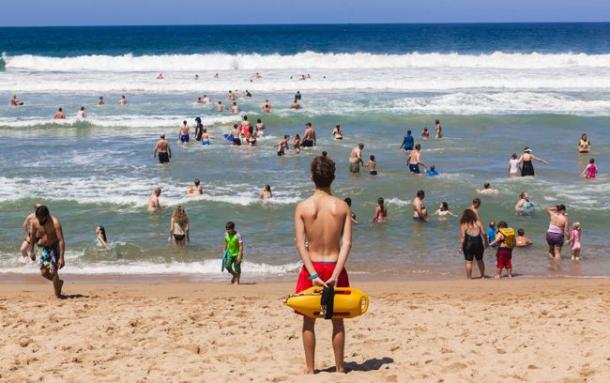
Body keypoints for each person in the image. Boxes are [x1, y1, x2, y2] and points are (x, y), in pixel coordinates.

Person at [294, 155, 352, 374]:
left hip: (312, 270)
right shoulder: (342, 207)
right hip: (335, 267)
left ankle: (310, 370)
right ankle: (339, 368)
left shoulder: (303, 207)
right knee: (338, 321)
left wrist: (312, 275)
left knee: (309, 322)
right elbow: (347, 244)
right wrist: (336, 274)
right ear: (333, 177)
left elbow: (301, 245)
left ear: (311, 177)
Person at [29, 205, 65, 298]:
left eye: (41, 218)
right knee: (44, 272)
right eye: (38, 218)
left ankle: (57, 294)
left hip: (54, 247)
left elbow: (61, 240)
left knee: (53, 271)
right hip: (43, 249)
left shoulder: (55, 223)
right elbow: (32, 236)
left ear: (46, 216)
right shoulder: (34, 222)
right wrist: (31, 250)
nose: (39, 220)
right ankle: (58, 282)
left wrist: (61, 257)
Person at [459, 208, 487, 279]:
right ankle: (482, 276)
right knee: (480, 260)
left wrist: (461, 247)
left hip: (468, 243)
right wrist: (486, 242)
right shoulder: (478, 222)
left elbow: (463, 237)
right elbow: (484, 233)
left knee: (469, 262)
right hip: (478, 242)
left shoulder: (464, 224)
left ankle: (469, 277)